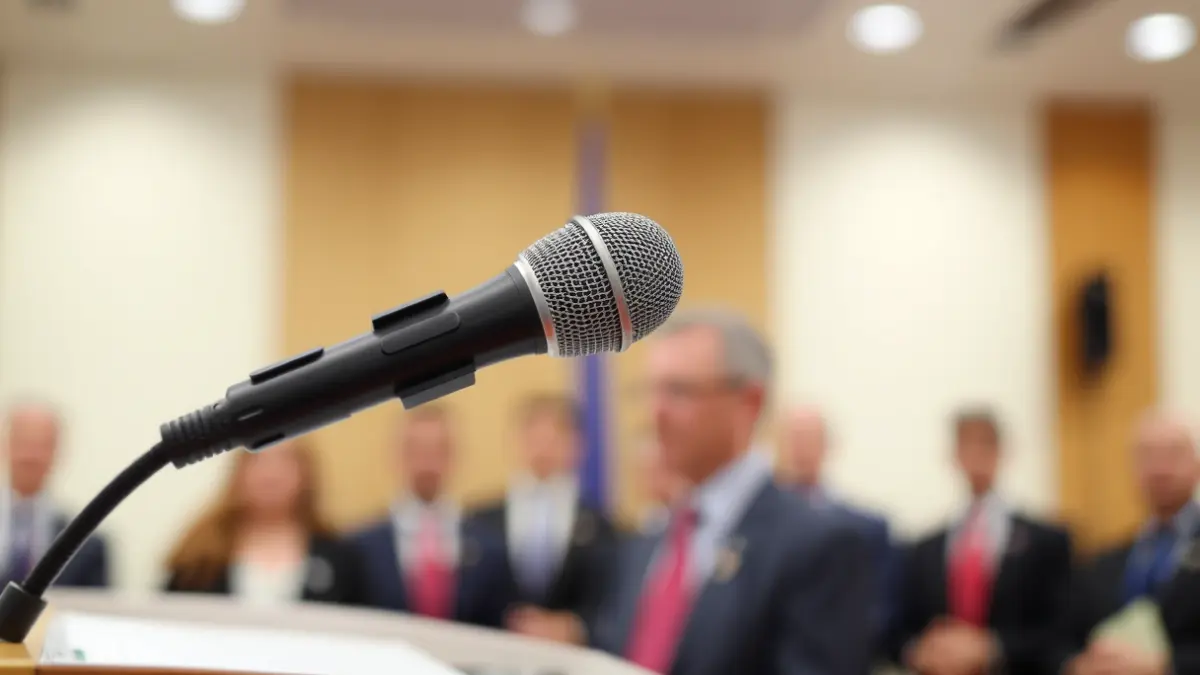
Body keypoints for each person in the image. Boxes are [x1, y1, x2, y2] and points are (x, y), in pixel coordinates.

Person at [589, 309, 873, 675]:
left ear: (749, 401)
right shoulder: (647, 540)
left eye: (678, 391)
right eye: (649, 391)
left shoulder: (818, 545)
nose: (654, 412)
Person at [895, 408, 1072, 675]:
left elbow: (1063, 629)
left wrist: (993, 647)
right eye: (966, 444)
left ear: (1002, 451)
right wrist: (920, 650)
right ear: (954, 455)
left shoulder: (1045, 541)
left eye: (985, 443)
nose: (976, 454)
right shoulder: (926, 548)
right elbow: (901, 628)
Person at [1050, 411, 1200, 675]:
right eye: (1147, 456)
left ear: (1197, 465)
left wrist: (1164, 666)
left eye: (1173, 454)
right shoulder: (1102, 562)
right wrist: (1077, 666)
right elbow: (1059, 641)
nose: (1159, 468)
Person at [468, 394, 617, 642]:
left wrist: (577, 627)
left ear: (577, 444)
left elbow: (612, 601)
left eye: (554, 439)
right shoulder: (479, 521)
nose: (543, 449)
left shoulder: (602, 526)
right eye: (535, 438)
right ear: (517, 440)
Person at [353, 406, 512, 627]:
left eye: (437, 451)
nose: (427, 463)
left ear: (454, 456)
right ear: (398, 455)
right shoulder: (362, 547)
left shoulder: (489, 546)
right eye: (417, 450)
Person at [164, 439, 363, 606]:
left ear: (306, 472)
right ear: (238, 471)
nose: (271, 474)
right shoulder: (201, 554)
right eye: (258, 460)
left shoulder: (338, 557)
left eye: (285, 461)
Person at [777, 405, 895, 657]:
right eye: (794, 439)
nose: (801, 449)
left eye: (810, 439)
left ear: (828, 445)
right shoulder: (756, 526)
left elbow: (879, 611)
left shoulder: (865, 530)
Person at [1, 401, 107, 588]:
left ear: (57, 451)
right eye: (22, 442)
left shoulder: (89, 547)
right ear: (5, 445)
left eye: (41, 445)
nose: (30, 455)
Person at [636, 431, 690, 535]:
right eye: (644, 473)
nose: (648, 482)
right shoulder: (652, 520)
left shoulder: (692, 513)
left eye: (653, 473)